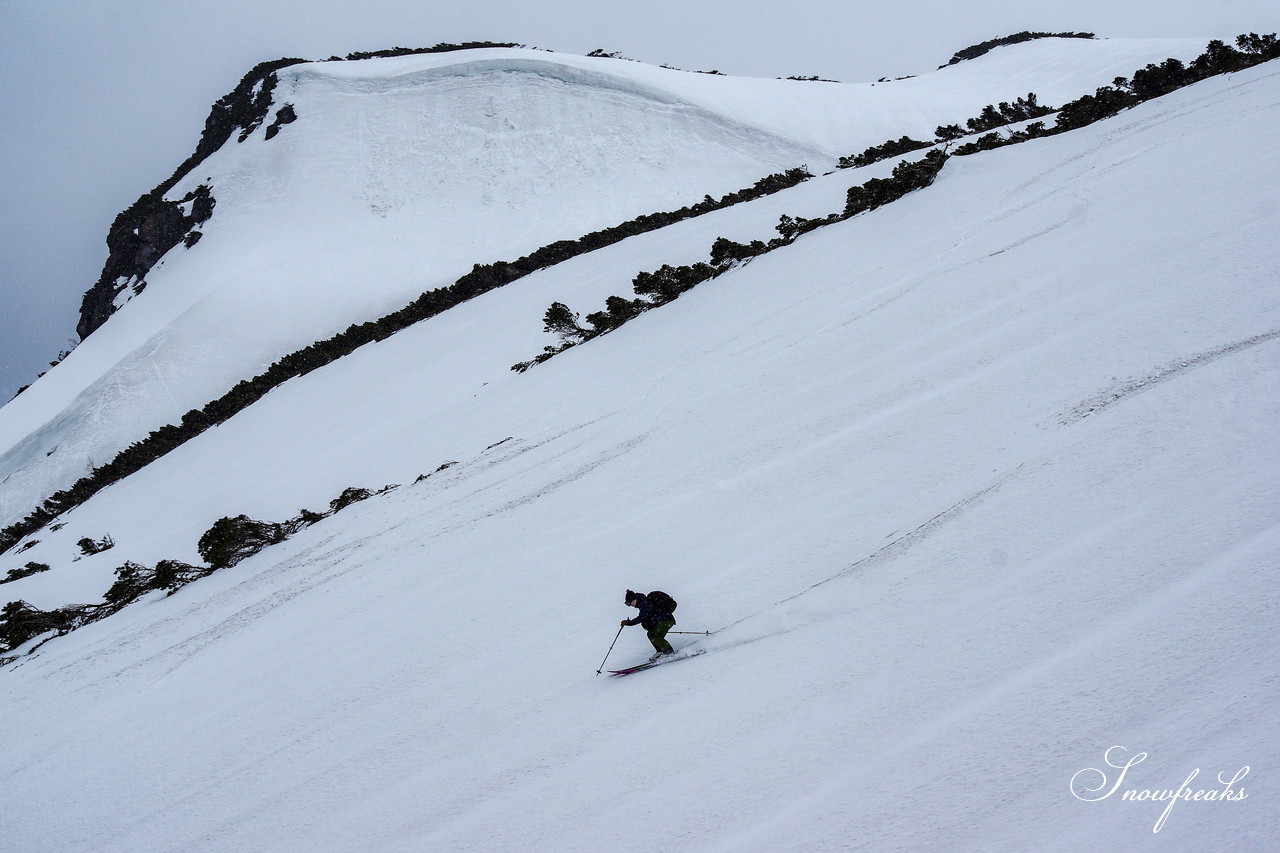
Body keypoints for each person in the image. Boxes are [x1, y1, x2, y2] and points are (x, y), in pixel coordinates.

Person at [621, 589, 677, 661]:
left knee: (658, 637)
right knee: (650, 634)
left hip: (665, 621)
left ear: (634, 599)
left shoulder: (644, 603)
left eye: (629, 603)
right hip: (661, 621)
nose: (630, 605)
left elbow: (641, 617)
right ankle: (660, 651)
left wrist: (629, 623)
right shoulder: (642, 604)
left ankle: (669, 652)